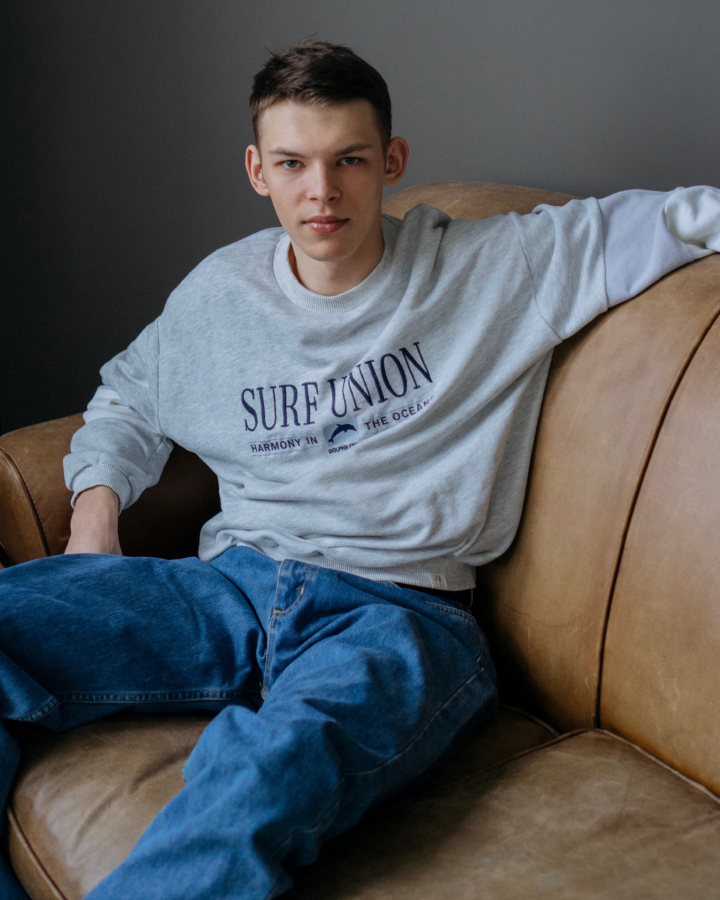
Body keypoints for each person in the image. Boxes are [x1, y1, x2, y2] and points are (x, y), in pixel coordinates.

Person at [1, 38, 719, 900]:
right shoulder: (219, 295)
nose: (322, 191)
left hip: (397, 615)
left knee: (258, 783)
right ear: (257, 171)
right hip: (230, 587)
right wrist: (94, 523)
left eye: (348, 159)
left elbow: (684, 217)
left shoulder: (496, 267)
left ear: (392, 161)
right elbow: (127, 398)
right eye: (292, 163)